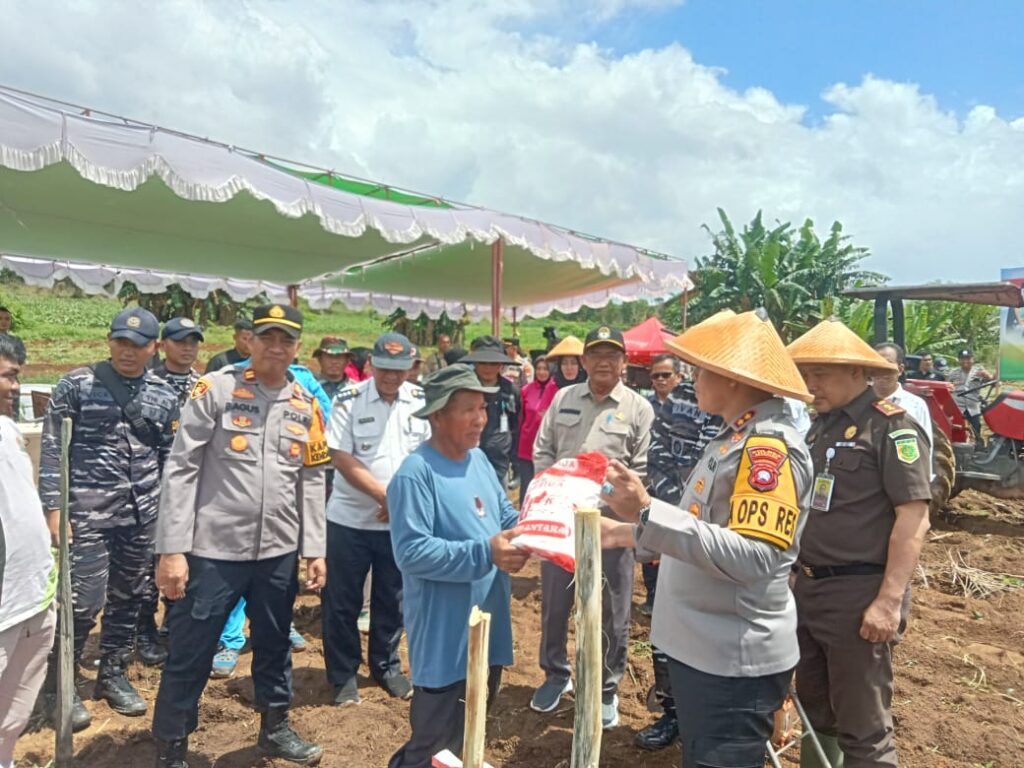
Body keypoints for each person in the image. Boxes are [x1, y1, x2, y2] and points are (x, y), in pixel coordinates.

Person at [598, 309, 813, 768]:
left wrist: (646, 511)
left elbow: (753, 557)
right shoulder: (732, 439)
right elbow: (703, 527)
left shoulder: (766, 450)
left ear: (732, 378)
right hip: (707, 651)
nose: (691, 378)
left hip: (731, 662)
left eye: (700, 369)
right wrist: (625, 531)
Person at [151, 303, 328, 768]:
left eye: (286, 339)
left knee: (273, 646)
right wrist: (172, 550)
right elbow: (182, 468)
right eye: (267, 336)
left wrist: (314, 549)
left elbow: (311, 478)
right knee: (190, 652)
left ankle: (275, 728)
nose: (276, 347)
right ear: (248, 340)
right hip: (212, 552)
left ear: (297, 347)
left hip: (277, 552)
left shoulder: (305, 404)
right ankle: (172, 748)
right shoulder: (217, 389)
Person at [788, 318, 932, 768]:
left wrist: (888, 601)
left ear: (857, 372)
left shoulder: (893, 428)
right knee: (816, 709)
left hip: (858, 595)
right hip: (809, 588)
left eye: (822, 374)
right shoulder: (819, 428)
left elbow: (914, 518)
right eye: (806, 374)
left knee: (863, 726)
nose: (812, 384)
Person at [38, 308, 179, 726]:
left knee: (131, 598)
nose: (127, 352)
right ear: (109, 341)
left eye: (137, 346)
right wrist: (55, 510)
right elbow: (51, 449)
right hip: (87, 515)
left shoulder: (163, 394)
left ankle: (111, 674)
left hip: (141, 516)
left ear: (153, 348)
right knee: (82, 603)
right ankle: (58, 683)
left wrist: (170, 519)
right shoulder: (77, 385)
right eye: (120, 342)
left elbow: (172, 459)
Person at [386, 365, 530, 767]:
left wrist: (529, 533)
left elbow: (503, 513)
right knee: (432, 746)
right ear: (437, 416)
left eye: (483, 408)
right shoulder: (416, 475)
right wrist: (487, 552)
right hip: (446, 636)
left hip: (487, 625)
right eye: (468, 409)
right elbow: (411, 552)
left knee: (472, 730)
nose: (480, 419)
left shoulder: (479, 460)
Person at [530, 326, 654, 729]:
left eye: (612, 354)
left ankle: (605, 687)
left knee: (614, 608)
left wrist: (610, 497)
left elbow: (641, 468)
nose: (604, 361)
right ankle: (556, 674)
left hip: (612, 526)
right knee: (554, 604)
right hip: (561, 523)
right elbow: (542, 449)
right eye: (595, 354)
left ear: (624, 362)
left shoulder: (638, 408)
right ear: (582, 361)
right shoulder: (563, 399)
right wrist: (554, 492)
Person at [322, 332, 430, 706]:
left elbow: (428, 455)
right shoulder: (348, 399)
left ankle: (385, 666)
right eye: (384, 368)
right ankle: (342, 674)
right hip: (350, 520)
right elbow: (341, 456)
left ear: (410, 369)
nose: (391, 376)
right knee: (342, 601)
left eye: (399, 370)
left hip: (400, 522)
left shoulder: (420, 401)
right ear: (371, 365)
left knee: (393, 598)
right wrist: (385, 495)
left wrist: (404, 500)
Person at [635, 358, 723, 752]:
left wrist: (703, 523)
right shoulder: (681, 400)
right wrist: (681, 516)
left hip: (723, 545)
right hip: (671, 530)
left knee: (712, 632)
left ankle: (706, 719)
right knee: (665, 627)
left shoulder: (760, 412)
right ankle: (672, 713)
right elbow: (658, 456)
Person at [135, 317, 206, 665]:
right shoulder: (146, 383)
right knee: (149, 566)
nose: (187, 347)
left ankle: (175, 627)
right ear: (163, 345)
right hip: (150, 488)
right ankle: (145, 632)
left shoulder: (204, 384)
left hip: (191, 490)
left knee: (185, 562)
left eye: (193, 341)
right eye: (180, 341)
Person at [0, 336, 57, 764]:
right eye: (6, 376)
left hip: (33, 598)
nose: (14, 386)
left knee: (13, 716)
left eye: (16, 375)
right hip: (2, 609)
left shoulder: (7, 428)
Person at [462, 336, 521, 487]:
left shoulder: (510, 390)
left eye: (493, 363)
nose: (488, 368)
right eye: (483, 363)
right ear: (474, 363)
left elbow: (516, 426)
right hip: (466, 458)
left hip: (499, 461)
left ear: (501, 364)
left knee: (497, 505)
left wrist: (514, 462)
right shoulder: (464, 389)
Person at [873, 342, 934, 446]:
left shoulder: (916, 405)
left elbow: (926, 445)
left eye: (887, 364)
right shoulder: (859, 403)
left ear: (900, 369)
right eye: (877, 364)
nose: (881, 370)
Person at [516, 356, 555, 500]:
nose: (541, 372)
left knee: (545, 486)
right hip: (526, 445)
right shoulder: (526, 390)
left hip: (547, 447)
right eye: (538, 368)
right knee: (526, 486)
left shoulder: (558, 391)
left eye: (545, 369)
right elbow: (521, 418)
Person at [948, 348, 993, 442]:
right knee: (956, 429)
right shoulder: (952, 373)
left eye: (968, 358)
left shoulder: (980, 372)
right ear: (959, 360)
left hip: (973, 407)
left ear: (973, 359)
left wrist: (988, 376)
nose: (965, 361)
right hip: (958, 407)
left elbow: (994, 383)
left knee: (976, 429)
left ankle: (977, 448)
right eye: (962, 359)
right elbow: (946, 387)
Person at [312, 336, 356, 402]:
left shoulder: (356, 388)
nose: (334, 361)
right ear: (319, 359)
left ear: (347, 361)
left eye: (339, 357)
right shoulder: (309, 385)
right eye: (329, 356)